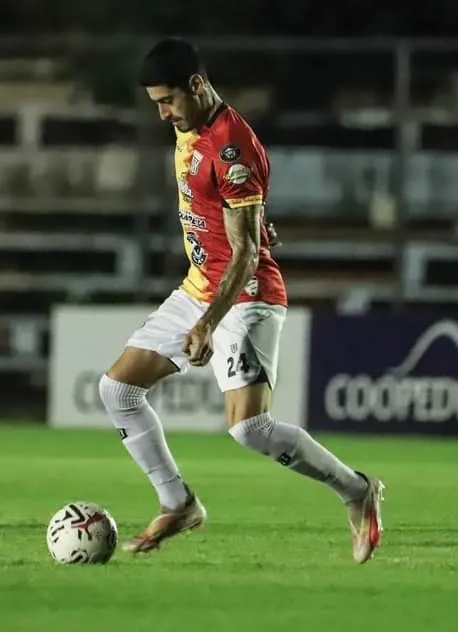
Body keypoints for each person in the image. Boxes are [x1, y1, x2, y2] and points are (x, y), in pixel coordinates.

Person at [96, 38, 386, 560]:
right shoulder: (191, 127)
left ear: (197, 86)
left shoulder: (232, 147)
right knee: (117, 391)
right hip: (200, 285)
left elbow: (248, 253)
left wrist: (208, 322)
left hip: (246, 295)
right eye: (155, 103)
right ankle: (178, 502)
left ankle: (356, 490)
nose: (162, 114)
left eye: (167, 101)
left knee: (250, 428)